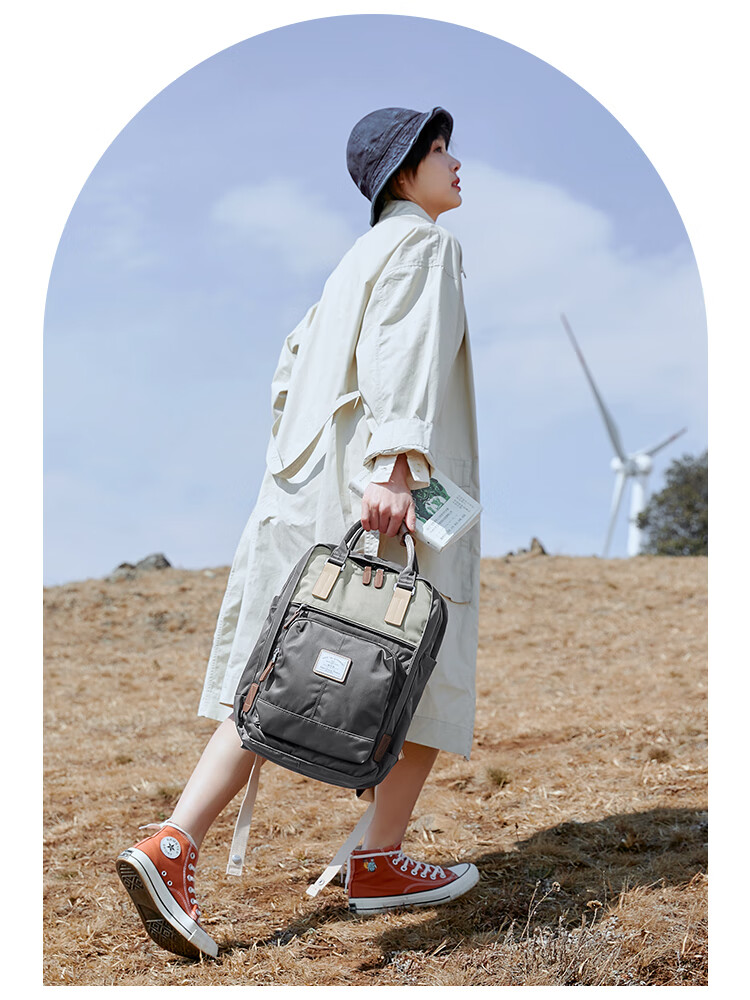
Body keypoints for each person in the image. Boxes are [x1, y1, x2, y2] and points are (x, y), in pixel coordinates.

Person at [116, 106, 482, 960]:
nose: (456, 161)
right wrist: (395, 464)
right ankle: (355, 856)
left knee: (278, 679)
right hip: (379, 499)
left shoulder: (349, 266)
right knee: (426, 662)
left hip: (304, 501)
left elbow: (285, 382)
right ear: (403, 173)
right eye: (438, 151)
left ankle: (189, 844)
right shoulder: (423, 245)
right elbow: (401, 352)